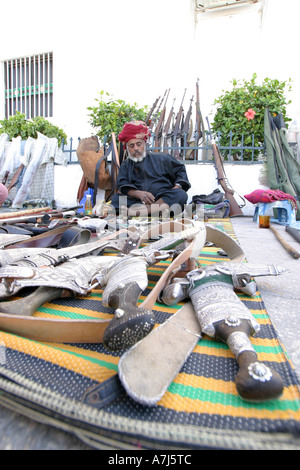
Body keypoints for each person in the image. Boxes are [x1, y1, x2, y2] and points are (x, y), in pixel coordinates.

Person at [110, 121, 191, 216]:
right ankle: (154, 212)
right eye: (131, 146)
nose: (136, 148)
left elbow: (180, 171)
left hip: (162, 200)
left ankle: (144, 212)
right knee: (117, 200)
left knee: (180, 195)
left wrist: (175, 188)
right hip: (140, 202)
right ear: (127, 148)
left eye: (139, 144)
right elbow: (122, 185)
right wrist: (139, 194)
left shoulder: (162, 158)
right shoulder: (126, 164)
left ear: (144, 144)